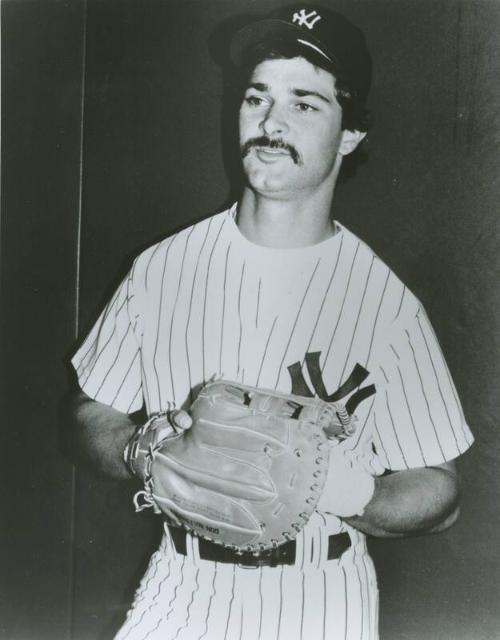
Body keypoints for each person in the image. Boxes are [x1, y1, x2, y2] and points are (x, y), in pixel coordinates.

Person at [68, 4, 474, 639]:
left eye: (305, 104)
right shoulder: (161, 268)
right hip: (182, 583)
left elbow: (441, 491)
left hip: (318, 595)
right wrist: (138, 448)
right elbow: (90, 412)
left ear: (350, 134)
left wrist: (351, 493)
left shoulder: (387, 306)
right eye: (257, 98)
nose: (270, 122)